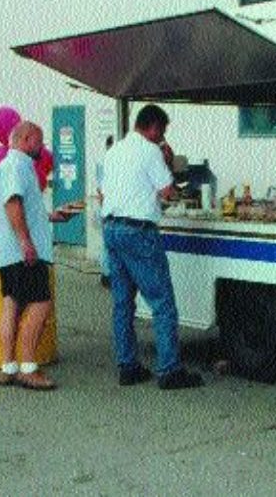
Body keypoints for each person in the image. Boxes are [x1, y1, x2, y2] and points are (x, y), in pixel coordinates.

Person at [101, 104, 203, 389]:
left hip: (112, 228)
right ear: (155, 127)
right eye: (163, 132)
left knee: (123, 303)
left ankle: (128, 365)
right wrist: (168, 163)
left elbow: (107, 190)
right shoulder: (150, 151)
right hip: (138, 231)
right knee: (163, 303)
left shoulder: (114, 151)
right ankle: (169, 370)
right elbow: (167, 192)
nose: (163, 137)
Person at [0, 121, 75, 390]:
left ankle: (8, 367)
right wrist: (26, 242)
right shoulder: (17, 165)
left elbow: (21, 206)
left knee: (11, 304)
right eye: (39, 141)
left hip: (7, 251)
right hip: (21, 251)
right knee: (40, 304)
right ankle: (28, 368)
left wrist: (50, 216)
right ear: (26, 139)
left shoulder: (8, 165)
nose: (42, 147)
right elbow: (13, 203)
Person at [97, 135, 114, 288]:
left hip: (108, 208)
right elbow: (101, 191)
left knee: (108, 243)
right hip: (108, 209)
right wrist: (104, 212)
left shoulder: (105, 162)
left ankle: (108, 273)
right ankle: (107, 274)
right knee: (108, 245)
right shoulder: (106, 163)